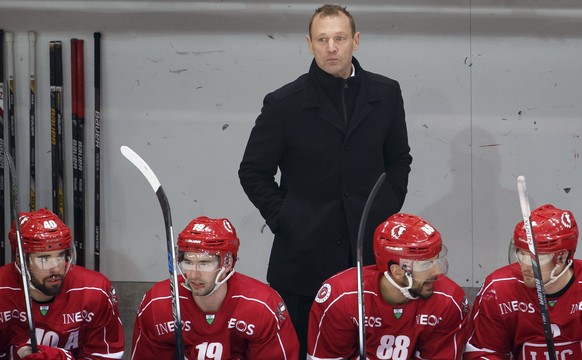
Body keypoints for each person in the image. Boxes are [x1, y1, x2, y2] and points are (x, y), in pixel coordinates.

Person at [238, 4, 412, 356]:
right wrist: (285, 218)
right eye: (322, 39)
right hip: (303, 260)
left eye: (339, 38)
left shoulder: (387, 93)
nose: (331, 47)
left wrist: (386, 207)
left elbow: (399, 160)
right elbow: (253, 171)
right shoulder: (284, 103)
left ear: (356, 41)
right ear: (309, 44)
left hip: (370, 256)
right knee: (303, 350)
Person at [131, 216, 299, 359]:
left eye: (204, 263)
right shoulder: (158, 303)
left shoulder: (262, 305)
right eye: (188, 262)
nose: (194, 274)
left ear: (227, 263)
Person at [308, 213, 469, 359]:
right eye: (426, 264)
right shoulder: (340, 295)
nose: (437, 271)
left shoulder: (449, 300)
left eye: (437, 260)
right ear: (398, 271)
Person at [0, 208, 124, 359]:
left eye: (60, 256)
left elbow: (105, 355)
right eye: (44, 259)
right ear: (21, 260)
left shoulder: (95, 290)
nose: (56, 267)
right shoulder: (2, 289)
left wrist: (60, 357)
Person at [465, 204, 582, 359]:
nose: (526, 265)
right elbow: (484, 351)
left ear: (562, 257)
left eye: (536, 257)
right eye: (521, 254)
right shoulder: (499, 288)